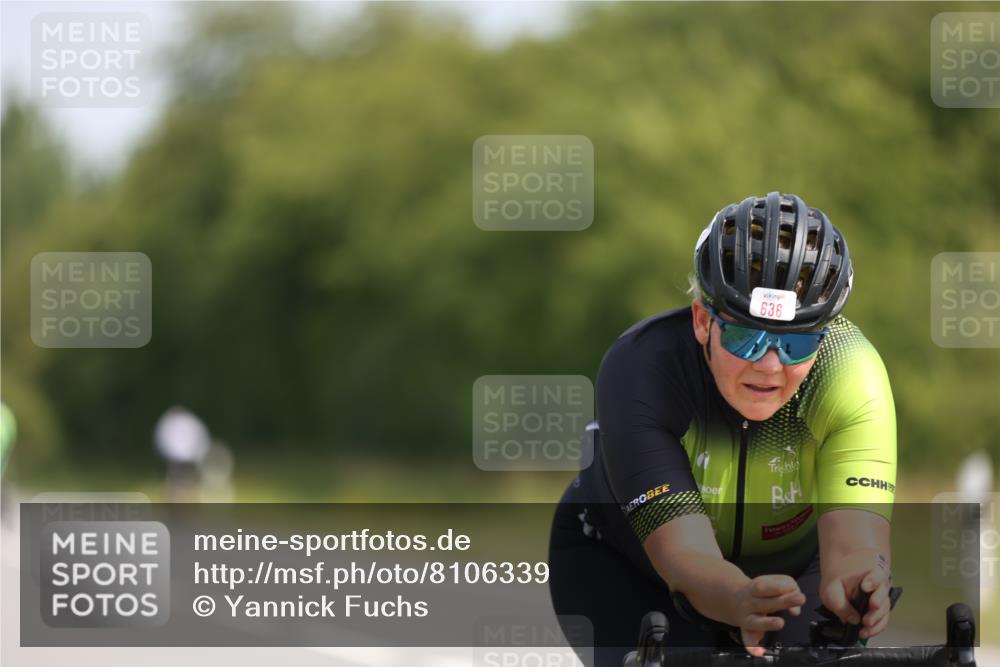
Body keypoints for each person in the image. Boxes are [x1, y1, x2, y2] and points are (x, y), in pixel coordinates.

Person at [548, 192, 897, 665]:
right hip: (628, 568)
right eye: (745, 336)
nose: (770, 366)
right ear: (701, 320)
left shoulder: (850, 371)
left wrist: (859, 580)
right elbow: (686, 558)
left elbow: (857, 544)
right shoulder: (644, 368)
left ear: (824, 335)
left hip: (790, 576)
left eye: (796, 343)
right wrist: (737, 601)